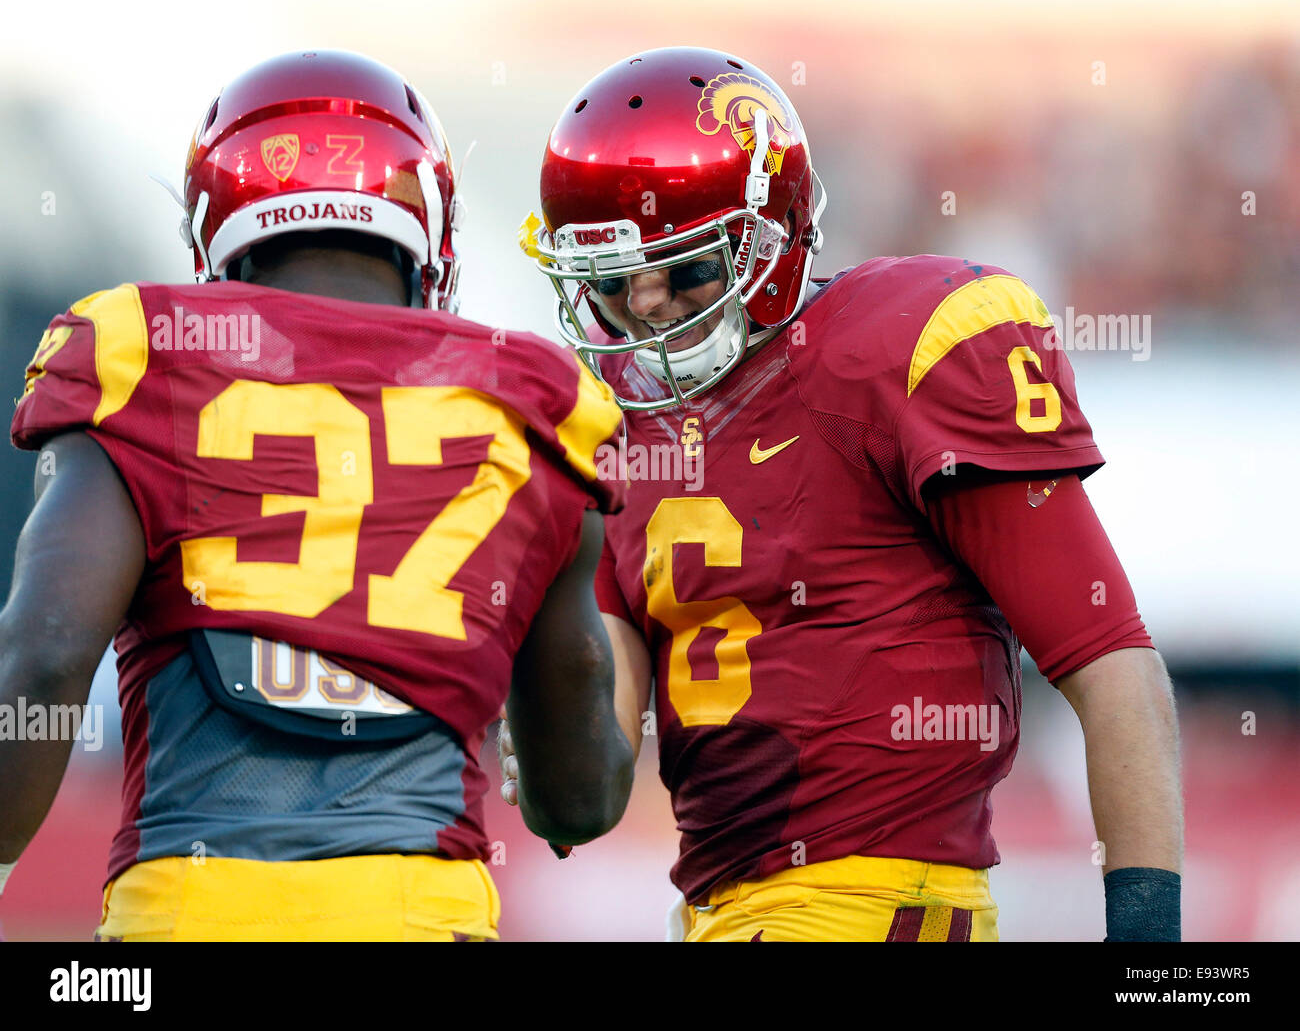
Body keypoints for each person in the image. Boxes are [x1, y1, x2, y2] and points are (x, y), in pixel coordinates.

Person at [503, 46, 1182, 941]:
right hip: (716, 916)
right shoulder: (611, 435)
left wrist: (1152, 952)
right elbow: (587, 798)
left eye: (687, 268)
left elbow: (1110, 660)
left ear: (771, 231)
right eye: (612, 282)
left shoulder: (898, 346)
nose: (649, 305)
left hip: (874, 907)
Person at [0, 49, 634, 942]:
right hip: (420, 916)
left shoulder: (142, 354)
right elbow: (575, 799)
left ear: (218, 231)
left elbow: (45, 654)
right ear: (429, 234)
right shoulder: (533, 405)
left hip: (191, 914)